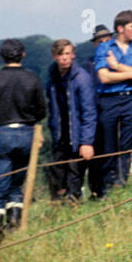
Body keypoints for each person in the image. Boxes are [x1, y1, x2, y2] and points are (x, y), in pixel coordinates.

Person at [0, 39, 48, 230]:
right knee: (16, 185)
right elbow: (41, 110)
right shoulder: (33, 78)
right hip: (27, 132)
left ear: (2, 57)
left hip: (1, 132)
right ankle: (14, 227)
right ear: (23, 55)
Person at [94, 11, 132, 196]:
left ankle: (121, 181)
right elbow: (104, 77)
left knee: (127, 142)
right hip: (109, 99)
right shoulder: (104, 48)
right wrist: (131, 74)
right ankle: (106, 186)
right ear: (120, 28)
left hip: (131, 98)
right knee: (109, 144)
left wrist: (116, 67)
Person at [46, 38, 97, 204]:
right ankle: (57, 207)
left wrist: (87, 141)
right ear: (54, 56)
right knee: (56, 175)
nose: (65, 58)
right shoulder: (52, 77)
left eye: (68, 54)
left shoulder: (82, 78)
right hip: (59, 136)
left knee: (75, 176)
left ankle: (74, 205)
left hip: (78, 136)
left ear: (73, 55)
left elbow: (89, 111)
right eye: (61, 55)